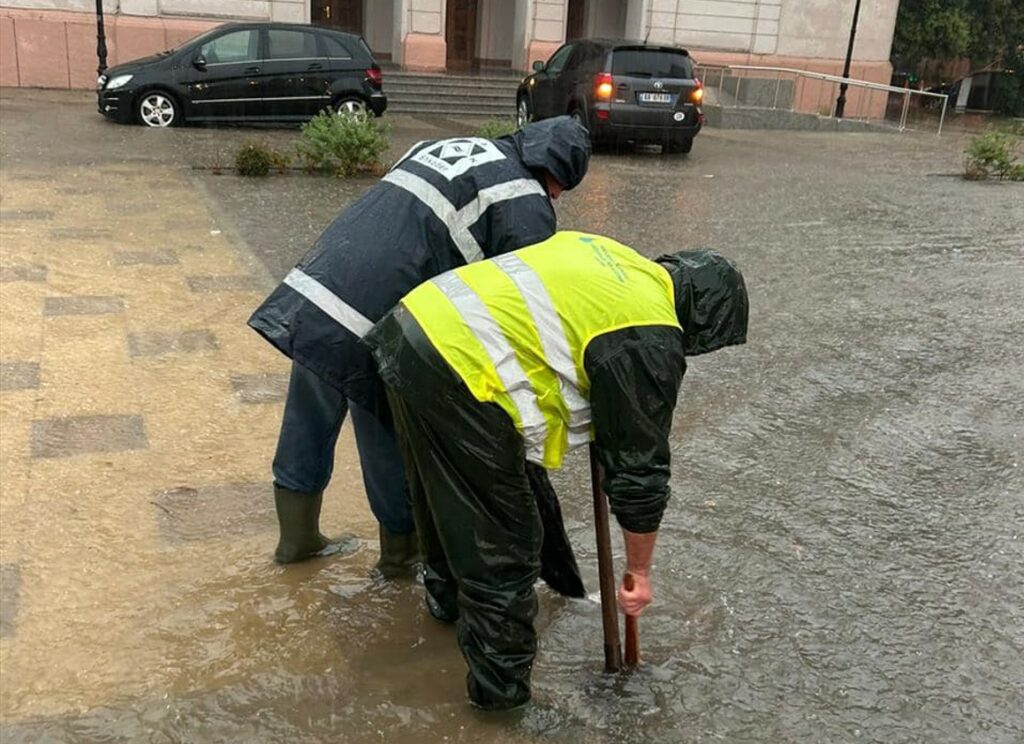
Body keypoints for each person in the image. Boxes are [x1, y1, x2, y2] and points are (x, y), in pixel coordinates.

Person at [365, 230, 749, 709]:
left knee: (442, 503)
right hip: (460, 368)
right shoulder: (649, 333)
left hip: (412, 328)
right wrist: (639, 573)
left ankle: (444, 617)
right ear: (704, 321)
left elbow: (568, 337)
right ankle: (498, 705)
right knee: (504, 548)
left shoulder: (616, 258)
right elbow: (640, 473)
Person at [248, 118, 591, 574]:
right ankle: (399, 558)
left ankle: (296, 541)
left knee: (306, 422)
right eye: (560, 187)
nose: (556, 197)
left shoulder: (446, 146)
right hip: (378, 324)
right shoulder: (524, 199)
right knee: (388, 441)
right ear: (556, 172)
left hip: (317, 292)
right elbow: (521, 306)